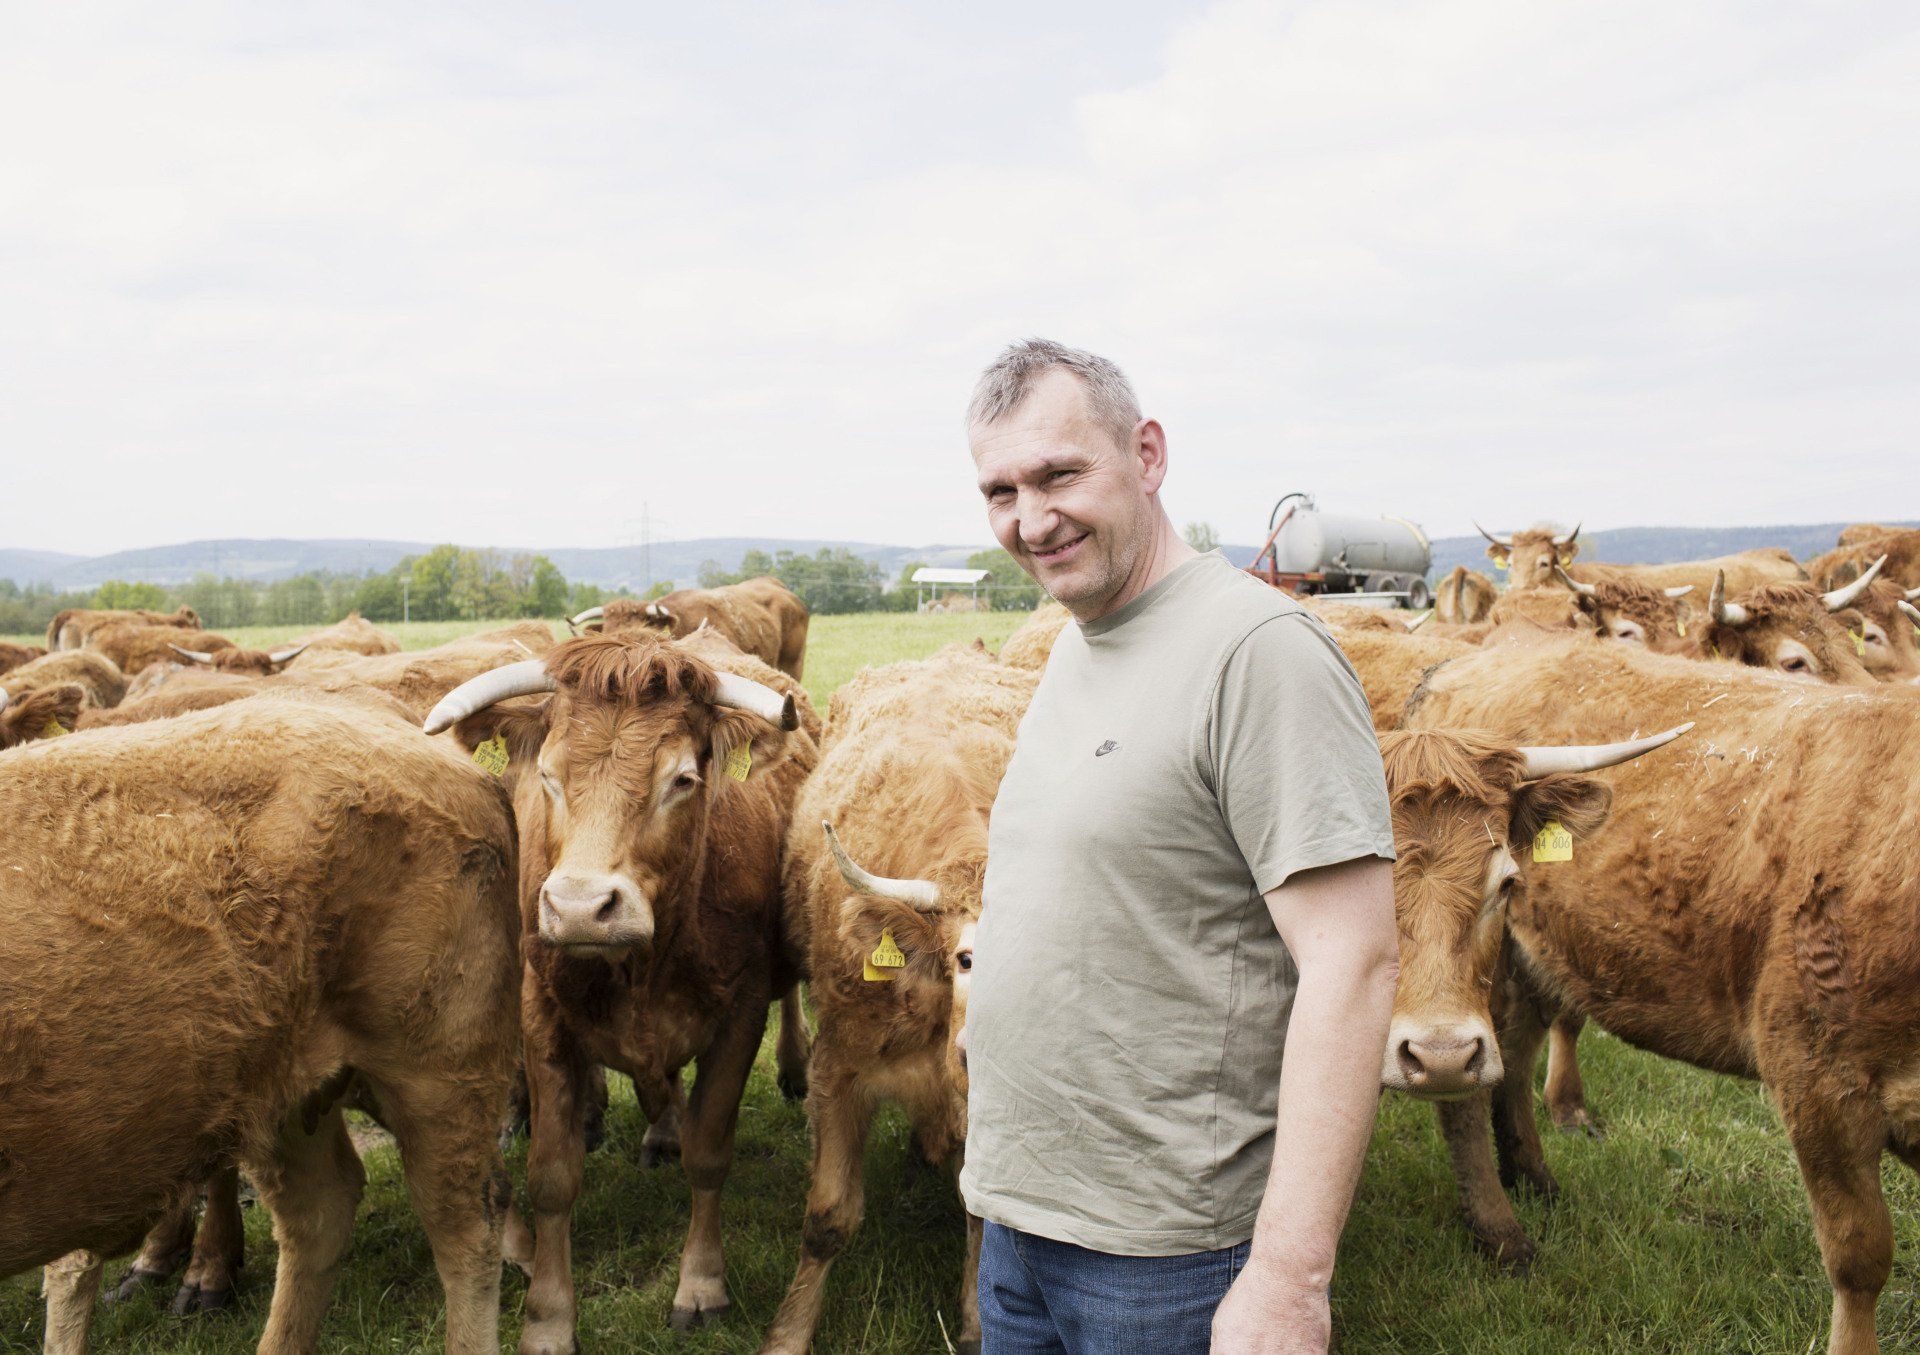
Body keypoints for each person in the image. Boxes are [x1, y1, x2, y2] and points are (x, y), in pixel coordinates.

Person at [958, 339, 1399, 1354]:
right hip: (1019, 1227)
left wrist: (1289, 1277)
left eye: (1060, 473)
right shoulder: (1079, 641)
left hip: (1166, 1258)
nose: (1031, 519)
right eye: (1000, 490)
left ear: (1146, 454)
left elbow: (1355, 960)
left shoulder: (1260, 652)